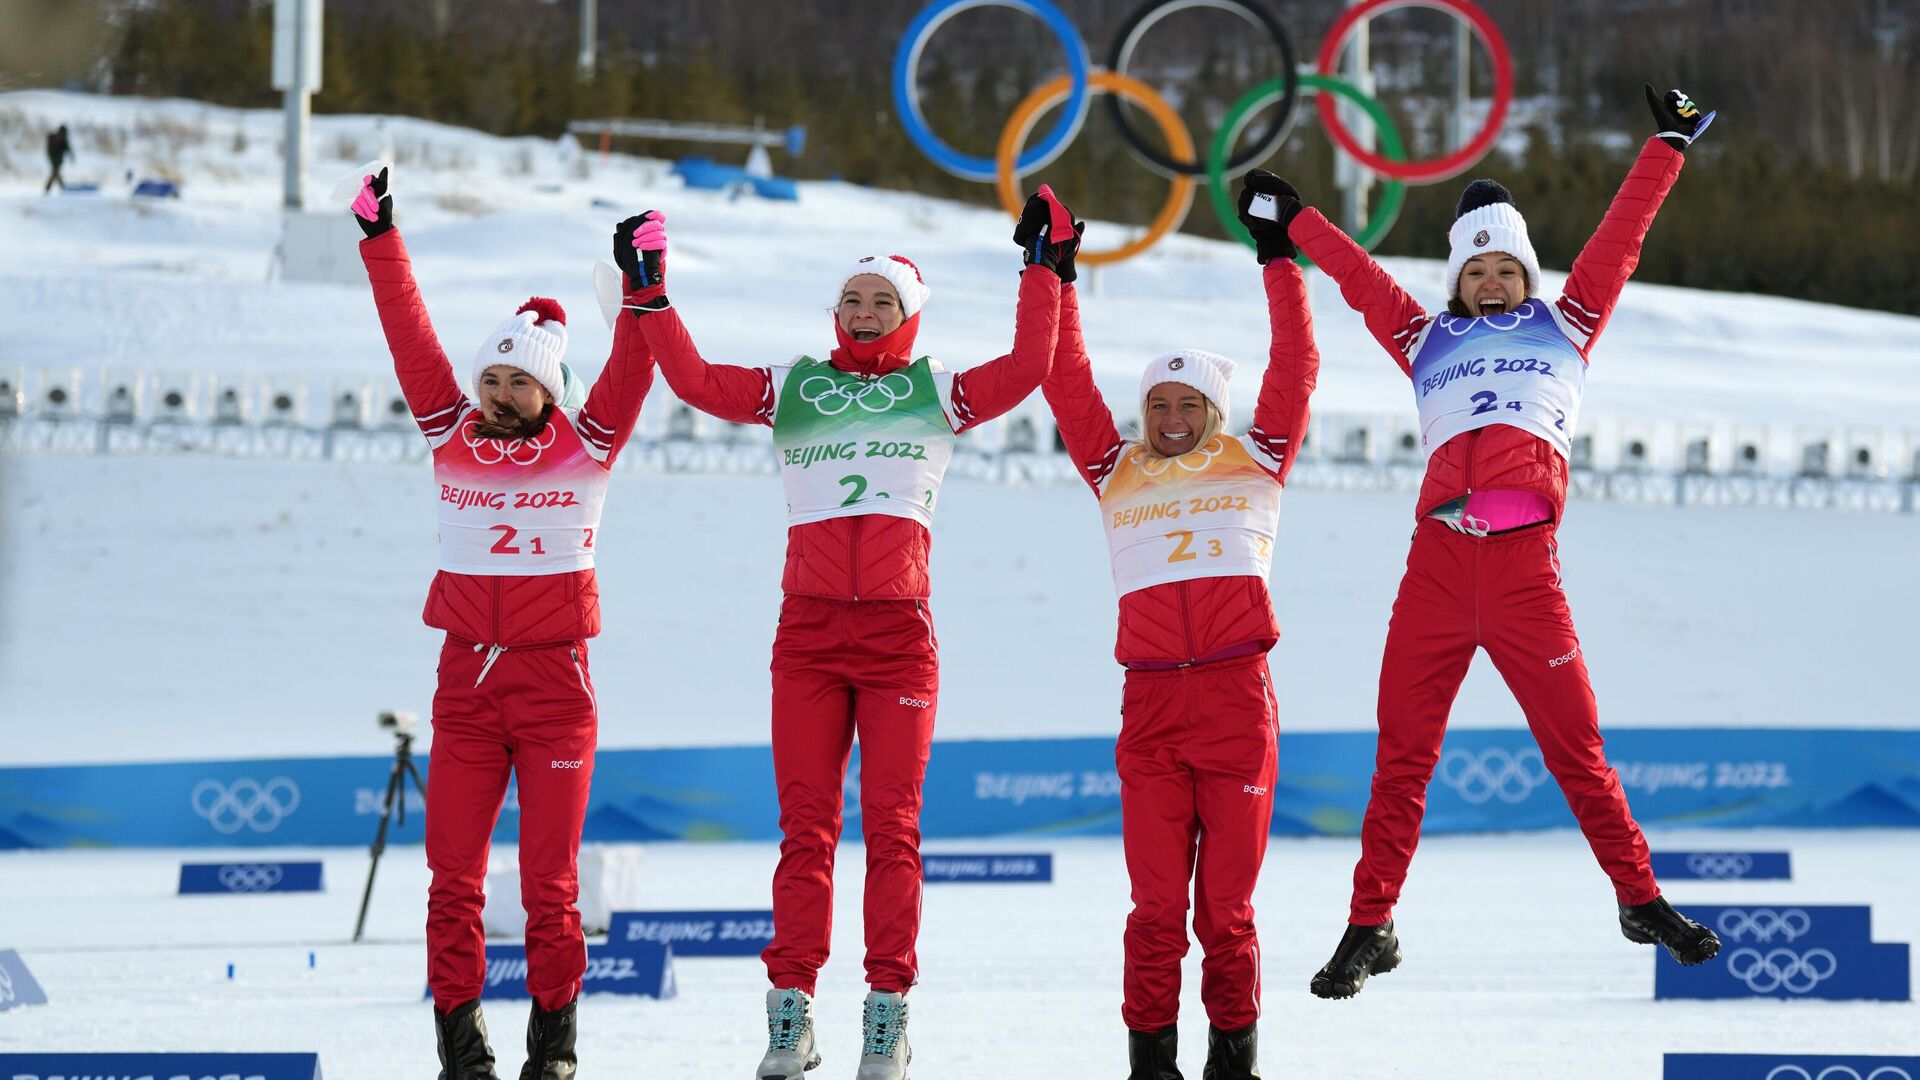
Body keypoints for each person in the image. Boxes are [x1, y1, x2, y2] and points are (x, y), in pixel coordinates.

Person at [1243, 86, 1725, 999]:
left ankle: (1639, 897)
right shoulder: (1424, 338)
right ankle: (1370, 924)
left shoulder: (1568, 322)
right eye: (1476, 271)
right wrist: (1298, 218)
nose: (1492, 282)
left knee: (1577, 747)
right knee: (1403, 756)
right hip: (1435, 566)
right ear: (1456, 280)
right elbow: (1359, 280)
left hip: (1521, 570)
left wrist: (1666, 143)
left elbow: (1618, 241)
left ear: (1527, 275)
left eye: (1506, 268)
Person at [623, 188, 1073, 1080]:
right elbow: (696, 380)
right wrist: (651, 294)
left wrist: (1043, 269)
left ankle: (887, 1013)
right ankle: (789, 1017)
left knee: (894, 831)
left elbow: (1030, 364)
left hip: (900, 637)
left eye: (883, 303)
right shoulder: (797, 388)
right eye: (852, 301)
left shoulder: (937, 392)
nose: (865, 314)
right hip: (809, 637)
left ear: (908, 317)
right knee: (806, 833)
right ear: (833, 312)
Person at [351, 167, 658, 1079]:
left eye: (515, 381)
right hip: (468, 688)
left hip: (557, 688)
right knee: (453, 881)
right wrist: (380, 241)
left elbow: (637, 364)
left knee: (551, 889)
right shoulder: (450, 433)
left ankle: (553, 1049)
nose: (495, 390)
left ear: (548, 389)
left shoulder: (589, 440)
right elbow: (409, 333)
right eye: (488, 375)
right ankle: (461, 1048)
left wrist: (644, 289)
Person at [1040, 179, 1319, 1080]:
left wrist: (1279, 258)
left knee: (1226, 914)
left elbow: (1297, 363)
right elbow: (1062, 376)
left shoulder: (1259, 458)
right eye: (1158, 405)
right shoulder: (1114, 469)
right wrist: (1057, 276)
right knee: (1156, 909)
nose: (1168, 420)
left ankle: (1234, 1062)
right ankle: (1149, 1064)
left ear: (1213, 413)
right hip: (1152, 706)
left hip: (1238, 701)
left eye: (1185, 406)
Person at [43, 124, 72, 194]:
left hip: (58, 159)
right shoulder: (54, 137)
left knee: (55, 173)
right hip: (53, 158)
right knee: (55, 172)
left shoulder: (63, 139)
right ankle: (61, 187)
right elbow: (49, 148)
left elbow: (67, 149)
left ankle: (60, 187)